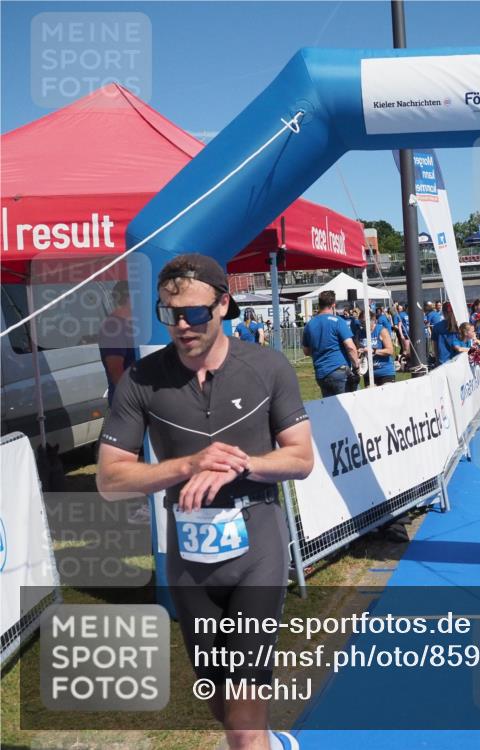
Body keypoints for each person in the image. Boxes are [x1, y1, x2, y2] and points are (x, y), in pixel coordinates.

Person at [96, 254, 313, 750]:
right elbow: (110, 479)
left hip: (258, 549)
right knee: (219, 701)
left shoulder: (266, 366)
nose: (181, 325)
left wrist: (240, 464)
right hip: (191, 564)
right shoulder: (141, 380)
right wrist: (187, 466)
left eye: (194, 313)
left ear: (223, 305)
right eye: (168, 313)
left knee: (240, 724)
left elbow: (301, 459)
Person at [301, 290, 361, 397]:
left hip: (321, 374)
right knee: (351, 405)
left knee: (331, 409)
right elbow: (350, 347)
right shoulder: (338, 321)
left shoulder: (309, 324)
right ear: (333, 304)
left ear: (319, 304)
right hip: (339, 371)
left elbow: (306, 351)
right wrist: (356, 366)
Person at [98, 280, 137, 404]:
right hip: (127, 403)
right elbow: (115, 370)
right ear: (129, 298)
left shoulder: (132, 324)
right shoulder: (112, 327)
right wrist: (133, 400)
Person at [364, 313, 396, 386]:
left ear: (373, 320)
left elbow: (390, 351)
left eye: (364, 322)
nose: (363, 325)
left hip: (385, 372)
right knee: (371, 397)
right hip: (369, 374)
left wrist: (374, 351)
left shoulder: (382, 331)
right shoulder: (360, 332)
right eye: (361, 323)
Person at [432, 301, 461, 366]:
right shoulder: (460, 326)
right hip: (459, 360)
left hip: (443, 361)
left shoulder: (436, 327)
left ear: (443, 312)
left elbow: (435, 347)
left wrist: (437, 360)